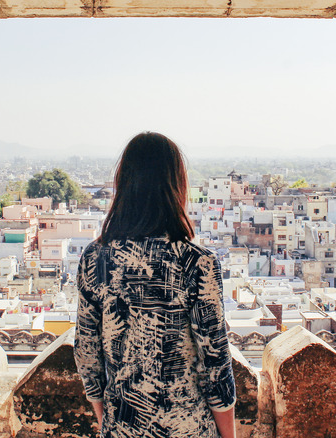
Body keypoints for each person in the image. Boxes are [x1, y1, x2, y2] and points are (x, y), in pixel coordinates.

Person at [74, 132, 236, 438]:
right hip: (188, 429)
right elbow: (215, 363)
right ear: (176, 185)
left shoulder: (96, 258)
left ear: (124, 184)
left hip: (122, 427)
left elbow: (86, 353)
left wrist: (107, 420)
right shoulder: (196, 262)